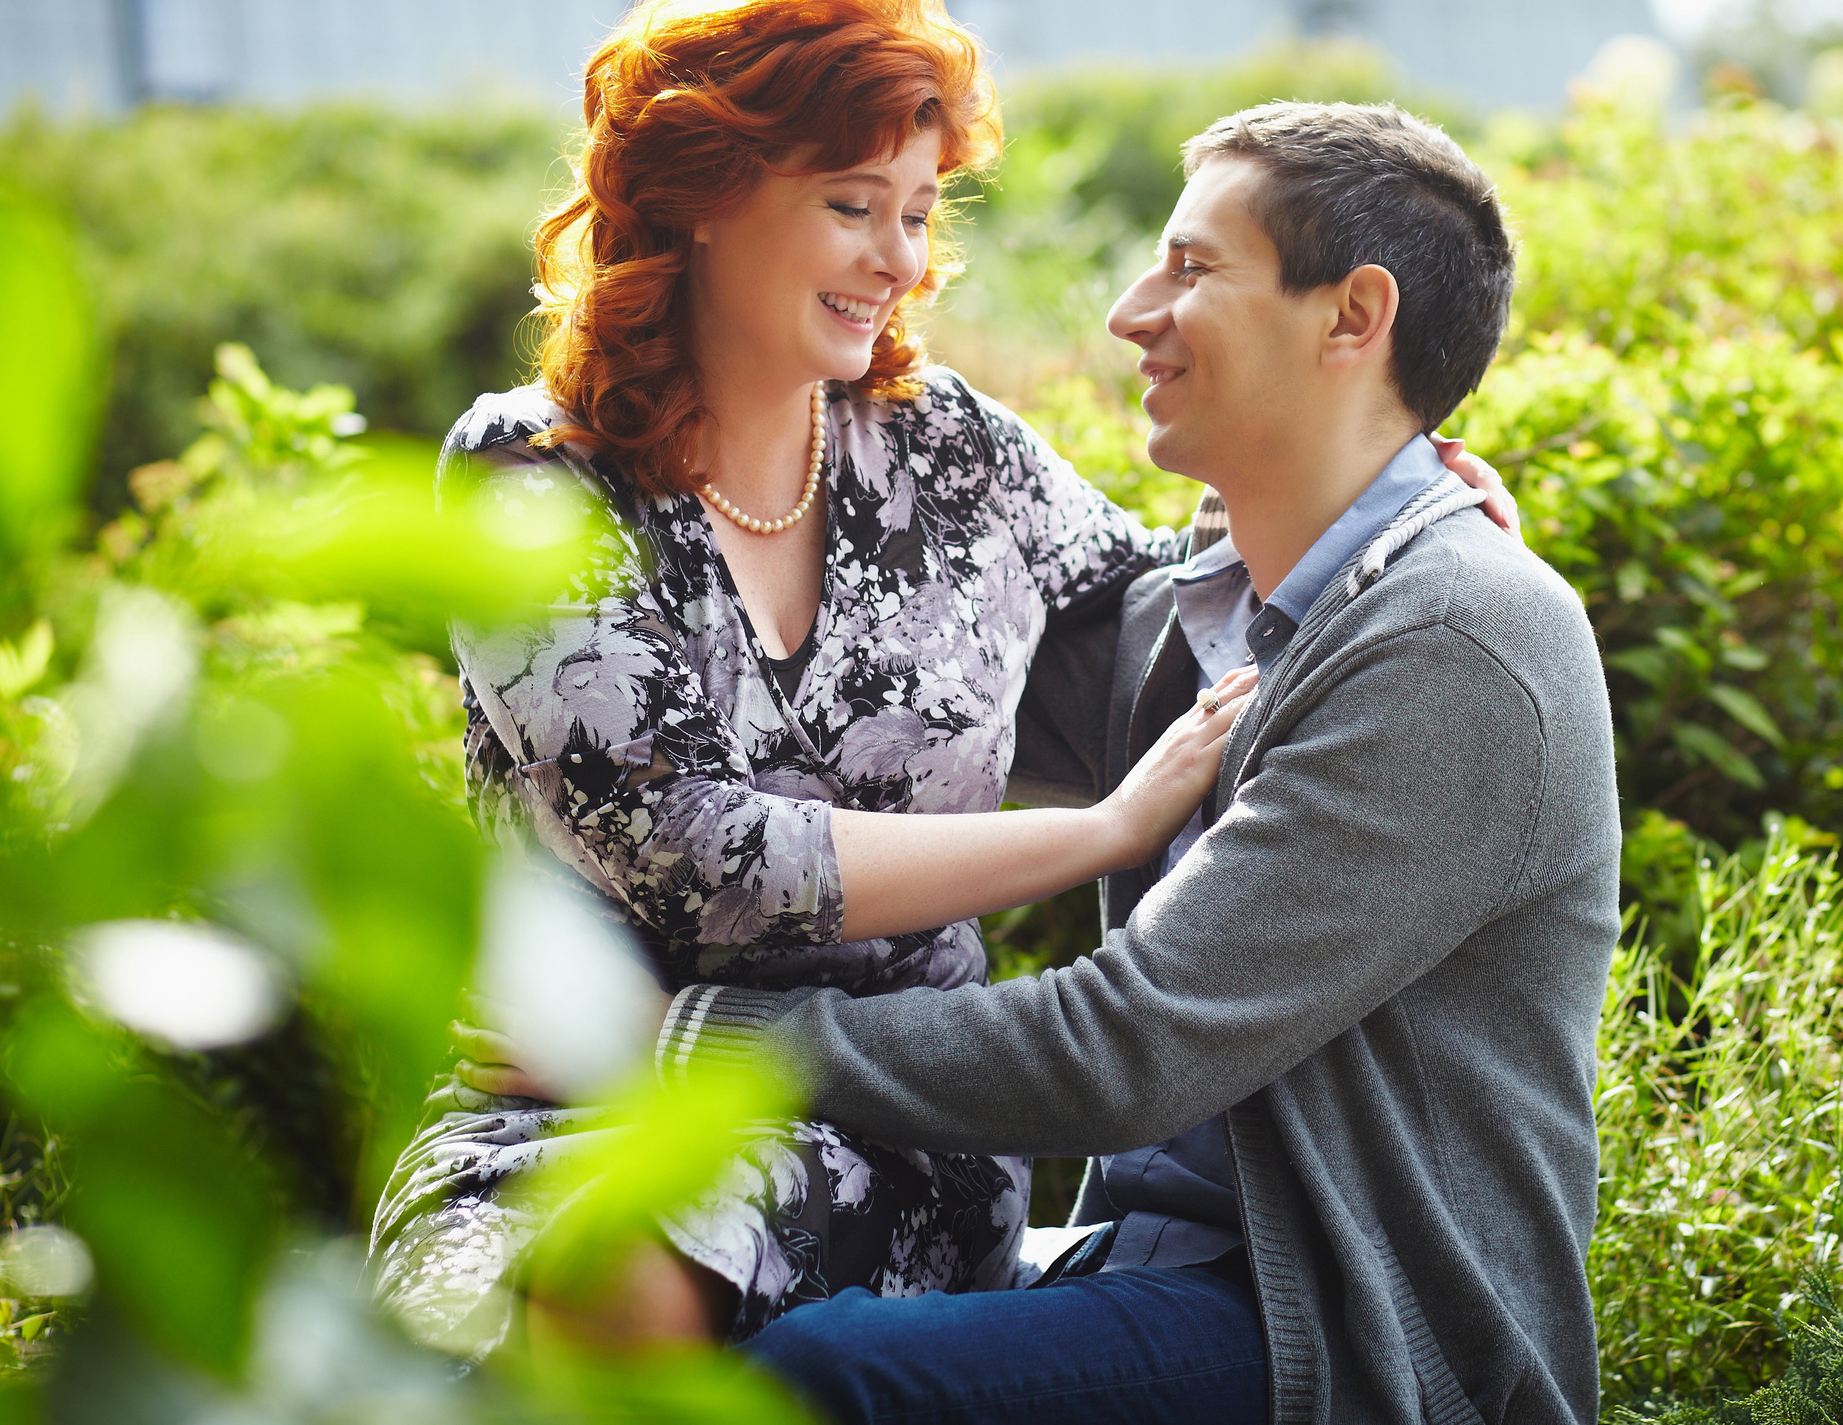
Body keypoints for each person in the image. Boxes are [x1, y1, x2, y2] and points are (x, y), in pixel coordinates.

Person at [369, 0, 1512, 1360]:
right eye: (853, 206)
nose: (899, 260)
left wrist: (1394, 508)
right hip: (580, 1100)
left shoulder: (944, 446)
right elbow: (703, 865)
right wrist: (1098, 834)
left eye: (918, 214)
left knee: (645, 1296)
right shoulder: (532, 476)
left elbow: (1165, 605)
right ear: (704, 190)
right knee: (588, 1279)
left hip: (897, 1125)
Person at [644, 101, 1623, 1425]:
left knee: (830, 1382)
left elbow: (1125, 1052)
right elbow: (859, 701)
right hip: (1156, 1267)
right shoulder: (1208, 620)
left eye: (1192, 268)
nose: (1129, 312)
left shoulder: (1456, 639)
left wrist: (685, 1042)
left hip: (1349, 1342)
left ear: (1353, 317)